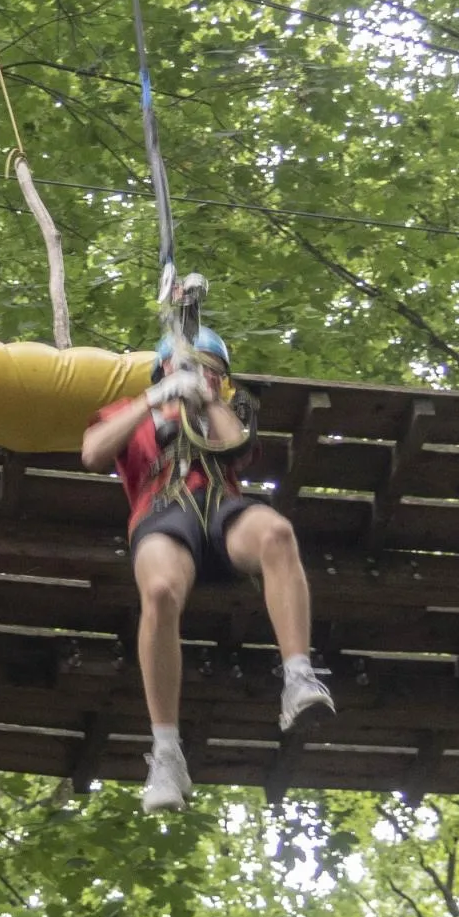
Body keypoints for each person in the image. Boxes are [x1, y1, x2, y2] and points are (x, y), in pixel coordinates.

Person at [81, 327, 335, 812]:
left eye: (213, 369)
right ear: (162, 371)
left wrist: (207, 397)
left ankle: (299, 676)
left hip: (221, 507)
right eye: (191, 366)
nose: (203, 374)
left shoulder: (227, 409)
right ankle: (166, 751)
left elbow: (236, 447)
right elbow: (93, 453)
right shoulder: (132, 411)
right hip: (162, 510)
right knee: (159, 592)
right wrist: (155, 398)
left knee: (277, 533)